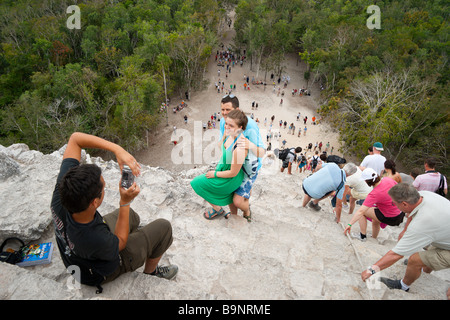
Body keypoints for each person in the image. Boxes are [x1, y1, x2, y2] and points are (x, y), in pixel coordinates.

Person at [52, 132, 177, 293]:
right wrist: (124, 202)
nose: (105, 187)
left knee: (132, 216)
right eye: (103, 188)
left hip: (75, 259)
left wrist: (116, 149)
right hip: (97, 272)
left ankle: (140, 239)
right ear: (94, 202)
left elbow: (75, 139)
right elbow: (120, 243)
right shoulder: (95, 238)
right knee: (163, 228)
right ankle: (152, 272)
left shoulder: (62, 192)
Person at [360, 183, 450, 298]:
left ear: (404, 204)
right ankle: (423, 271)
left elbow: (396, 254)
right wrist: (405, 230)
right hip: (445, 235)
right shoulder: (422, 195)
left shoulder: (422, 224)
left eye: (394, 203)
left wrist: (371, 270)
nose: (393, 204)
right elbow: (411, 213)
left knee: (414, 259)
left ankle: (403, 285)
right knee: (429, 253)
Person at [191, 109, 248, 220]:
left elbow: (233, 172)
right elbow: (222, 148)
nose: (226, 127)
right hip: (224, 170)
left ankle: (218, 209)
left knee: (197, 183)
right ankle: (234, 217)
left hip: (231, 177)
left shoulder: (240, 147)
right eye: (226, 123)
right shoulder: (229, 135)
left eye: (231, 125)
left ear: (240, 128)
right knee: (229, 197)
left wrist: (215, 174)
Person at [218, 95, 266, 222]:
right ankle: (235, 216)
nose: (224, 113)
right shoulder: (224, 122)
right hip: (233, 162)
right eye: (222, 109)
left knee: (238, 201)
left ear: (237, 109)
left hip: (249, 168)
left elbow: (262, 153)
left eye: (227, 110)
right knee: (231, 192)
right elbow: (221, 145)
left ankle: (246, 209)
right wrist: (224, 138)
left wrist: (250, 145)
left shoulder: (250, 126)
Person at [344, 168, 405, 241]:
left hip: (390, 217)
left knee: (363, 213)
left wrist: (349, 224)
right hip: (400, 213)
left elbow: (361, 211)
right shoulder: (387, 180)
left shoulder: (374, 194)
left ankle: (362, 236)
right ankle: (374, 237)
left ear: (366, 181)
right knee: (375, 216)